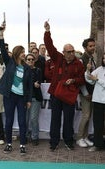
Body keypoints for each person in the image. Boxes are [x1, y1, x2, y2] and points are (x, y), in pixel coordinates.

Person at [44, 21, 85, 151]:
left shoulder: (78, 63)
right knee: (55, 120)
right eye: (69, 51)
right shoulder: (58, 58)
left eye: (73, 51)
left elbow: (82, 79)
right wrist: (47, 31)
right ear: (64, 52)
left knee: (69, 120)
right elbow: (49, 46)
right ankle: (54, 142)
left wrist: (73, 80)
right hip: (56, 94)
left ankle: (68, 141)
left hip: (69, 96)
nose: (72, 53)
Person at [0, 23, 32, 155]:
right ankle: (9, 144)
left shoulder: (27, 68)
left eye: (24, 52)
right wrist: (1, 33)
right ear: (17, 53)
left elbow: (29, 86)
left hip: (22, 98)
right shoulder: (9, 62)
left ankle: (22, 144)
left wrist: (28, 100)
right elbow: (2, 49)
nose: (24, 54)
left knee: (22, 121)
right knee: (9, 121)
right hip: (9, 96)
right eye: (22, 52)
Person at [76, 38, 96, 148]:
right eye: (90, 46)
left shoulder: (92, 59)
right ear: (85, 47)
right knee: (86, 115)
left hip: (92, 92)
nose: (93, 48)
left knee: (89, 116)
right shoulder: (82, 60)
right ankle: (79, 138)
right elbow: (80, 78)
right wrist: (85, 93)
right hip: (85, 93)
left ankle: (85, 136)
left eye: (93, 46)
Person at [85, 55, 105, 152]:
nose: (104, 60)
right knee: (97, 124)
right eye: (104, 58)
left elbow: (96, 80)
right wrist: (88, 71)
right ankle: (97, 144)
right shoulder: (99, 69)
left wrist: (97, 79)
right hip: (97, 100)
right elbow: (90, 80)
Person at [25, 53, 43, 146]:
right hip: (24, 98)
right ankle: (25, 136)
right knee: (25, 119)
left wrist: (32, 84)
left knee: (33, 119)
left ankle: (35, 137)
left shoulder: (38, 70)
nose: (30, 61)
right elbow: (24, 83)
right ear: (25, 60)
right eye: (28, 59)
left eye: (32, 59)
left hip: (35, 97)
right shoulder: (23, 70)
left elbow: (39, 81)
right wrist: (32, 84)